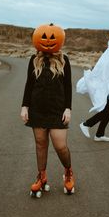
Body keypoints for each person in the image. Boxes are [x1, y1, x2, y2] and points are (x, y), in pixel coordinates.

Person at [20, 23, 75, 197]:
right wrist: (25, 106)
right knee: (40, 145)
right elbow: (29, 85)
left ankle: (68, 172)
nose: (48, 41)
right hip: (37, 109)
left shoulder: (64, 60)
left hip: (57, 110)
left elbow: (67, 87)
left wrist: (68, 109)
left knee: (61, 146)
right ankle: (41, 177)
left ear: (59, 40)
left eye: (52, 37)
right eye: (44, 37)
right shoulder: (33, 60)